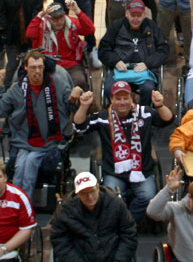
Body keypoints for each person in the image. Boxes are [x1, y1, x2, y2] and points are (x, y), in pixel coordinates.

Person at [73, 83, 172, 223]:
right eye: (118, 99)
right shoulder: (102, 117)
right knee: (111, 199)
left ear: (131, 98)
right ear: (111, 99)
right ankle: (126, 224)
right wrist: (83, 106)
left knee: (148, 197)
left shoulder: (144, 113)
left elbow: (167, 120)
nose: (122, 102)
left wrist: (160, 105)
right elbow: (79, 127)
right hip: (114, 172)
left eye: (125, 98)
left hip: (142, 170)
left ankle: (126, 223)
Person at [0, 51, 80, 199]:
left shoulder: (57, 84)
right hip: (23, 141)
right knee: (19, 167)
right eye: (33, 67)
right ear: (25, 68)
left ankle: (23, 206)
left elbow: (72, 107)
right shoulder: (17, 88)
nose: (37, 71)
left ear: (44, 67)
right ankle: (15, 204)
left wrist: (76, 95)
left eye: (40, 67)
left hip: (50, 140)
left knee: (30, 162)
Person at [98, 0, 169, 106]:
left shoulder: (152, 26)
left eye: (139, 15)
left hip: (145, 70)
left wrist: (147, 63)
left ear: (144, 14)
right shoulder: (117, 26)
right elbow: (103, 50)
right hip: (120, 70)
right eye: (132, 15)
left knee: (148, 89)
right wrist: (116, 61)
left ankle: (143, 114)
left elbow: (163, 50)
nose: (136, 19)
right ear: (127, 14)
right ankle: (118, 114)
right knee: (109, 89)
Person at [25, 1, 94, 90]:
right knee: (46, 83)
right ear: (48, 18)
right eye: (54, 19)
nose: (58, 22)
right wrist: (39, 16)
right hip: (48, 63)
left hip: (71, 64)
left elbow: (90, 29)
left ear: (64, 15)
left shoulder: (71, 23)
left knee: (79, 81)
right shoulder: (42, 25)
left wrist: (77, 10)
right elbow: (30, 35)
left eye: (61, 17)